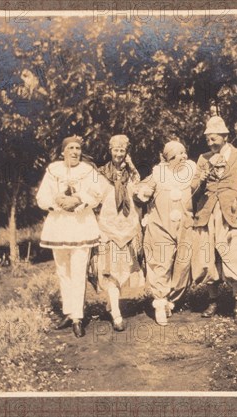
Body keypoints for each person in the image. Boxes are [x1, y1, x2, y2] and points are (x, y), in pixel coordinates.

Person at [191, 116, 237, 322]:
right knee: (208, 257)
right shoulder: (203, 159)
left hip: (233, 213)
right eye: (208, 140)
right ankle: (213, 301)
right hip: (208, 213)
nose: (210, 143)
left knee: (236, 254)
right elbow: (192, 189)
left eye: (214, 139)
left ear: (225, 136)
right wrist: (201, 179)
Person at [36, 135, 103, 338]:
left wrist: (78, 199)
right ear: (63, 151)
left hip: (81, 225)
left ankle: (78, 317)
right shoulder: (53, 170)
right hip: (58, 226)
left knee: (78, 270)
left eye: (78, 148)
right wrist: (56, 202)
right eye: (71, 148)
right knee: (63, 270)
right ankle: (68, 311)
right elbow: (41, 197)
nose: (75, 152)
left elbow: (97, 194)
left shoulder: (88, 170)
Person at [136, 140, 196, 325]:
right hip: (160, 226)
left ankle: (172, 299)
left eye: (184, 152)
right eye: (178, 154)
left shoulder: (192, 171)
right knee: (161, 263)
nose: (183, 157)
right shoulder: (158, 174)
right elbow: (141, 190)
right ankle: (160, 304)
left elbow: (202, 185)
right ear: (168, 159)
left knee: (183, 266)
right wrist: (144, 193)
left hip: (185, 227)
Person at [91, 134, 144, 331]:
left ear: (127, 152)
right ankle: (117, 315)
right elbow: (94, 198)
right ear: (110, 150)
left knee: (122, 268)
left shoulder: (132, 174)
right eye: (116, 150)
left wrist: (131, 167)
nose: (119, 154)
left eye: (122, 150)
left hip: (128, 227)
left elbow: (138, 193)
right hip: (108, 227)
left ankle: (111, 305)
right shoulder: (101, 173)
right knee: (110, 269)